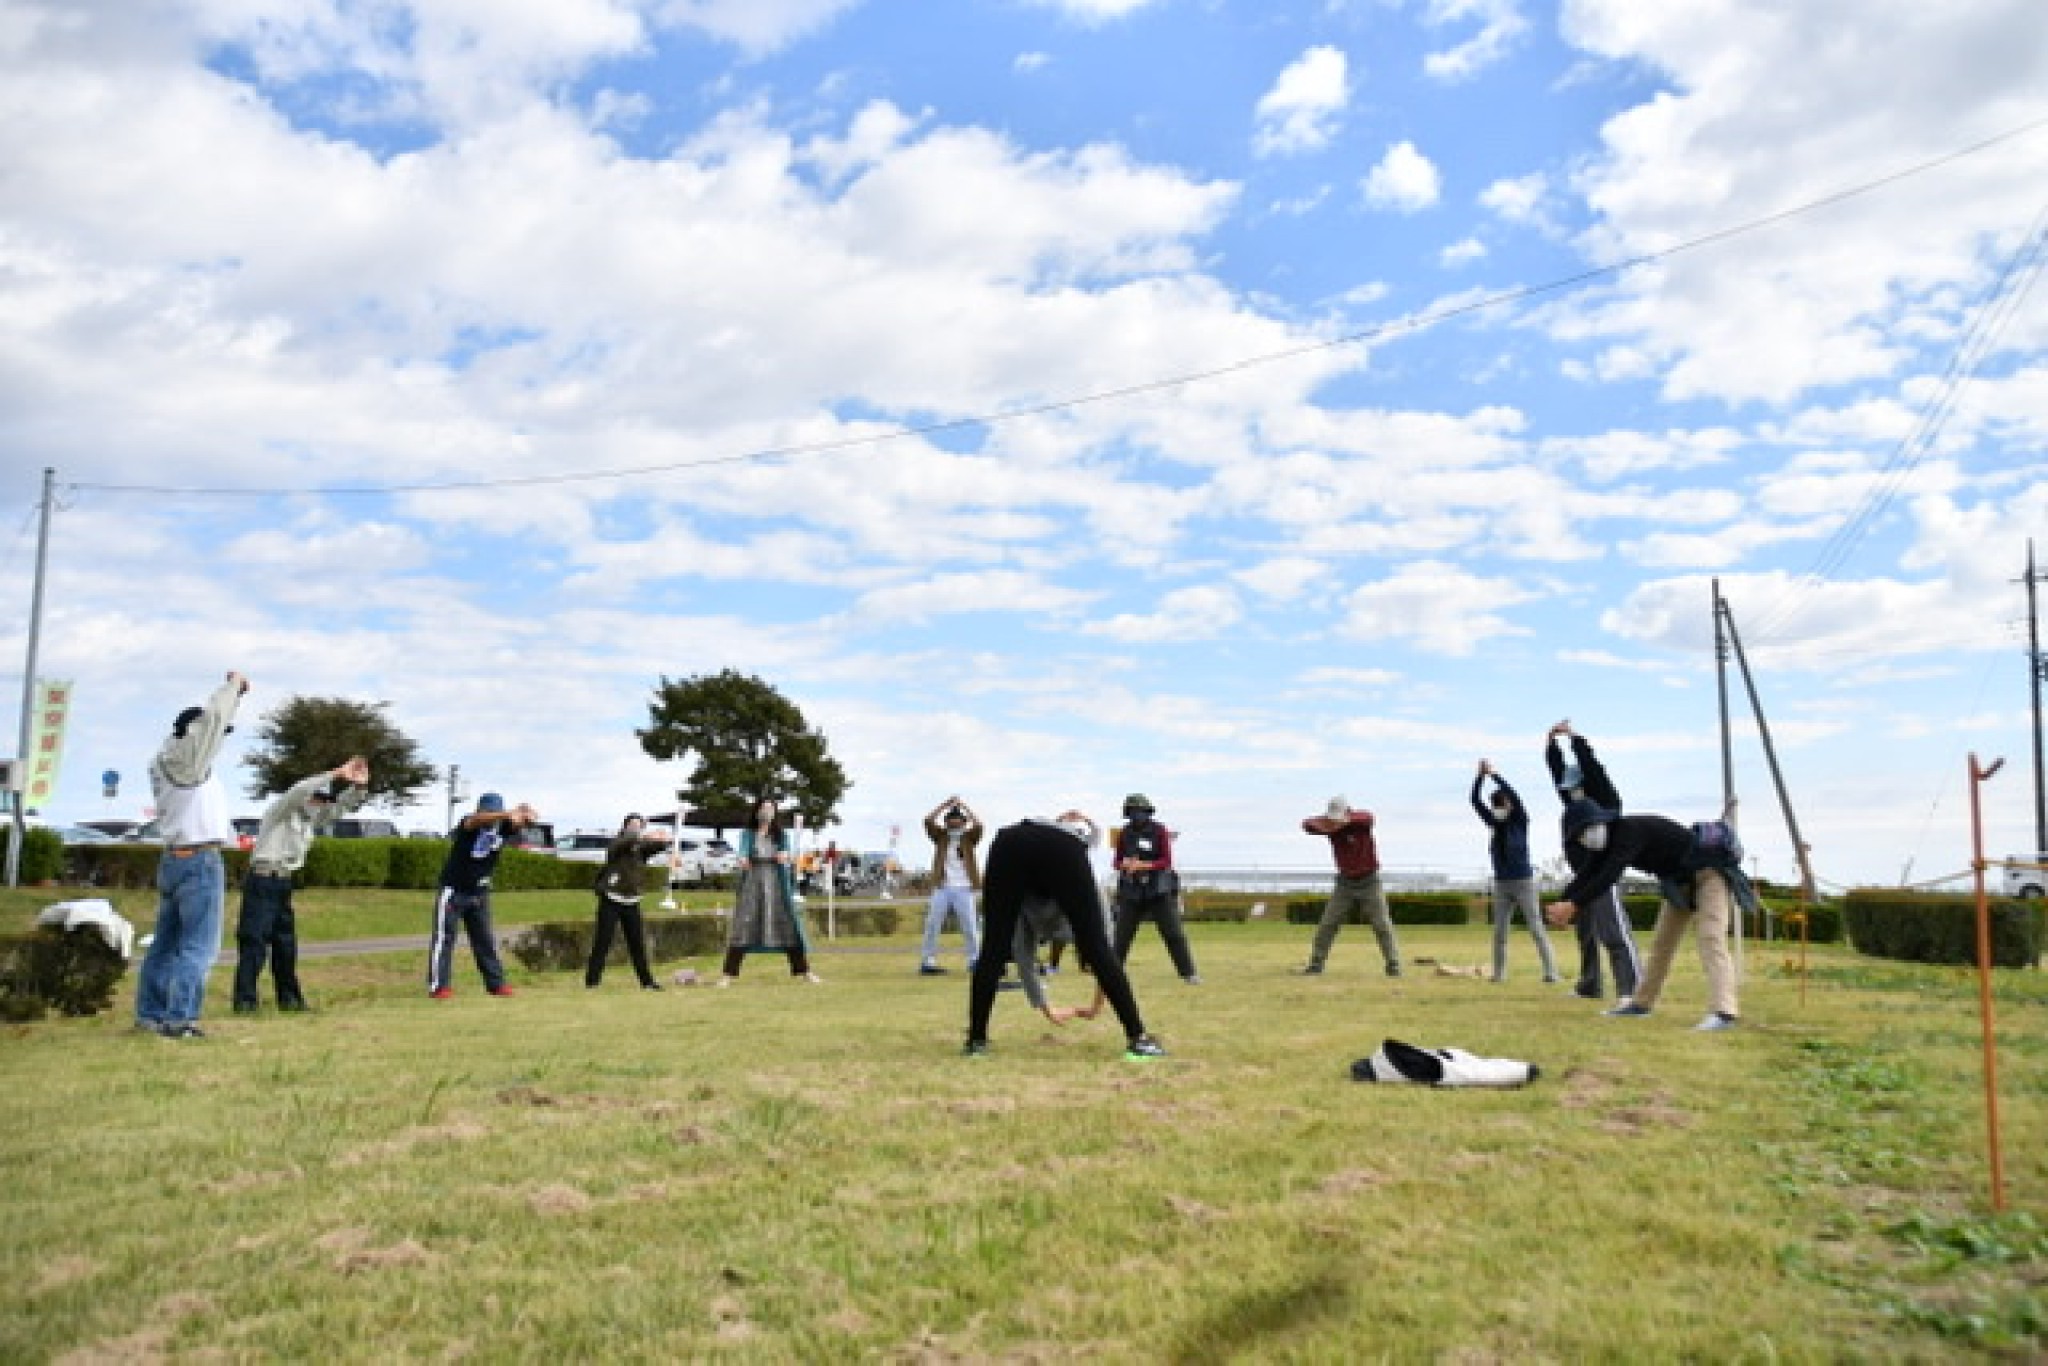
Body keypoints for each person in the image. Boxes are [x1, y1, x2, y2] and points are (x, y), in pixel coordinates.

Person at [967, 813, 1165, 1060]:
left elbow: (1021, 953)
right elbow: (1103, 951)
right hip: (1060, 847)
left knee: (993, 948)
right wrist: (1048, 1006)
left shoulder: (1028, 901)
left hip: (1008, 843)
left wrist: (1096, 1005)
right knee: (1096, 946)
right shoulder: (1082, 880)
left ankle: (976, 1042)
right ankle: (1138, 1040)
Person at [1544, 802, 1743, 1031]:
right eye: (1579, 836)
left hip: (1710, 874)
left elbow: (1608, 876)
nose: (1584, 838)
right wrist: (1562, 902)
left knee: (1711, 939)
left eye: (1585, 830)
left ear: (1602, 822)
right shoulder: (1607, 847)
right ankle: (1641, 1004)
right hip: (1679, 886)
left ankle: (1724, 1012)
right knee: (1661, 945)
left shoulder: (1628, 831)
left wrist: (1573, 905)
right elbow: (1587, 875)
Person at [135, 671, 249, 1038]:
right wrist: (234, 689)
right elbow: (212, 720)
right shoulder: (184, 760)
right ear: (191, 732)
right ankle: (180, 1019)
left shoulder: (172, 761)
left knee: (166, 945)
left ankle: (150, 1015)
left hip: (176, 859)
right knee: (198, 948)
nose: (216, 742)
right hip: (199, 862)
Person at [232, 755, 369, 1014]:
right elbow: (298, 790)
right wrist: (336, 773)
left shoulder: (309, 820)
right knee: (254, 944)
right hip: (262, 879)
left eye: (323, 801)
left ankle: (290, 999)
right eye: (317, 799)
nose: (320, 806)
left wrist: (358, 788)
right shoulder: (282, 811)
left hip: (283, 882)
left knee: (286, 945)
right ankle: (245, 1001)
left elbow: (339, 808)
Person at [1544, 721, 1642, 1002]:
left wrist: (1574, 739)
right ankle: (1590, 985)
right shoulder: (1572, 802)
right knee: (1585, 933)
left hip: (1603, 873)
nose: (1570, 791)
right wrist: (1551, 745)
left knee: (1613, 931)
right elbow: (1556, 773)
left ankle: (1631, 990)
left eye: (1575, 785)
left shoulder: (1607, 799)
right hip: (1582, 874)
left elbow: (1593, 765)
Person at [428, 792, 540, 999]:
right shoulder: (469, 824)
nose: (492, 817)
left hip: (479, 893)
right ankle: (439, 987)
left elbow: (528, 820)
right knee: (444, 939)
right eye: (489, 812)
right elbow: (478, 820)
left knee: (485, 940)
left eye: (495, 812)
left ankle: (496, 985)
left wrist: (526, 814)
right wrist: (504, 813)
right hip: (453, 890)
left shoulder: (504, 827)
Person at [1470, 760, 1559, 985]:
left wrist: (1494, 775)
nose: (1499, 807)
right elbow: (1474, 801)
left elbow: (1514, 795)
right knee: (1500, 932)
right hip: (1501, 884)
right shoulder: (1494, 823)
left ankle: (1551, 973)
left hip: (1523, 882)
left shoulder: (1520, 821)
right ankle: (1499, 975)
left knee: (1536, 927)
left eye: (1502, 803)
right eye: (1496, 804)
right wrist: (1479, 777)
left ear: (1510, 804)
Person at [717, 797, 819, 986]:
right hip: (752, 884)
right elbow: (743, 852)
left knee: (787, 926)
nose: (767, 812)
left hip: (776, 885)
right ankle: (727, 976)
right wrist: (743, 859)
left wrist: (785, 856)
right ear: (757, 811)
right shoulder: (748, 833)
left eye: (770, 808)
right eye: (764, 808)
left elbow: (787, 853)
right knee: (743, 926)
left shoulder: (781, 835)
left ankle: (805, 972)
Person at [1297, 796, 1402, 978]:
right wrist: (1327, 823)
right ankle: (1316, 965)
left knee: (1382, 924)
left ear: (1348, 812)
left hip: (1370, 882)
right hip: (1344, 884)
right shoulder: (1329, 827)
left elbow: (1368, 817)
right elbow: (1307, 825)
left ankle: (1393, 965)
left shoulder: (1361, 823)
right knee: (1327, 924)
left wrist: (1345, 820)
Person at [1111, 794, 1200, 985]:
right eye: (1133, 812)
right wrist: (1125, 864)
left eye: (1141, 811)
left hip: (1158, 889)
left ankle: (1188, 973)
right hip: (1131, 890)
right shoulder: (1124, 833)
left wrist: (1144, 865)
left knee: (1173, 932)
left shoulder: (1160, 830)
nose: (1137, 815)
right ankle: (1112, 972)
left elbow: (1166, 861)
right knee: (1122, 935)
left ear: (1147, 812)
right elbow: (1116, 861)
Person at [586, 813, 672, 990]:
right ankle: (592, 982)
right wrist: (639, 835)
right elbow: (624, 843)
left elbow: (656, 846)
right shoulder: (616, 843)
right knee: (603, 942)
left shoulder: (641, 848)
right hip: (611, 898)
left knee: (637, 944)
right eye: (632, 825)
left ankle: (647, 982)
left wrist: (664, 840)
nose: (635, 828)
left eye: (639, 825)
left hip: (632, 901)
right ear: (625, 827)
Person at [918, 795, 983, 976]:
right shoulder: (940, 837)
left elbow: (979, 826)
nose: (954, 823)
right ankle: (927, 962)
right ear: (946, 822)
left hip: (964, 888)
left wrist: (965, 806)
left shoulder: (970, 838)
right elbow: (927, 820)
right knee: (932, 924)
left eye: (957, 820)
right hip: (942, 887)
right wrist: (944, 805)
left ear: (963, 822)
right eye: (951, 820)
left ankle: (974, 960)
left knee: (970, 926)